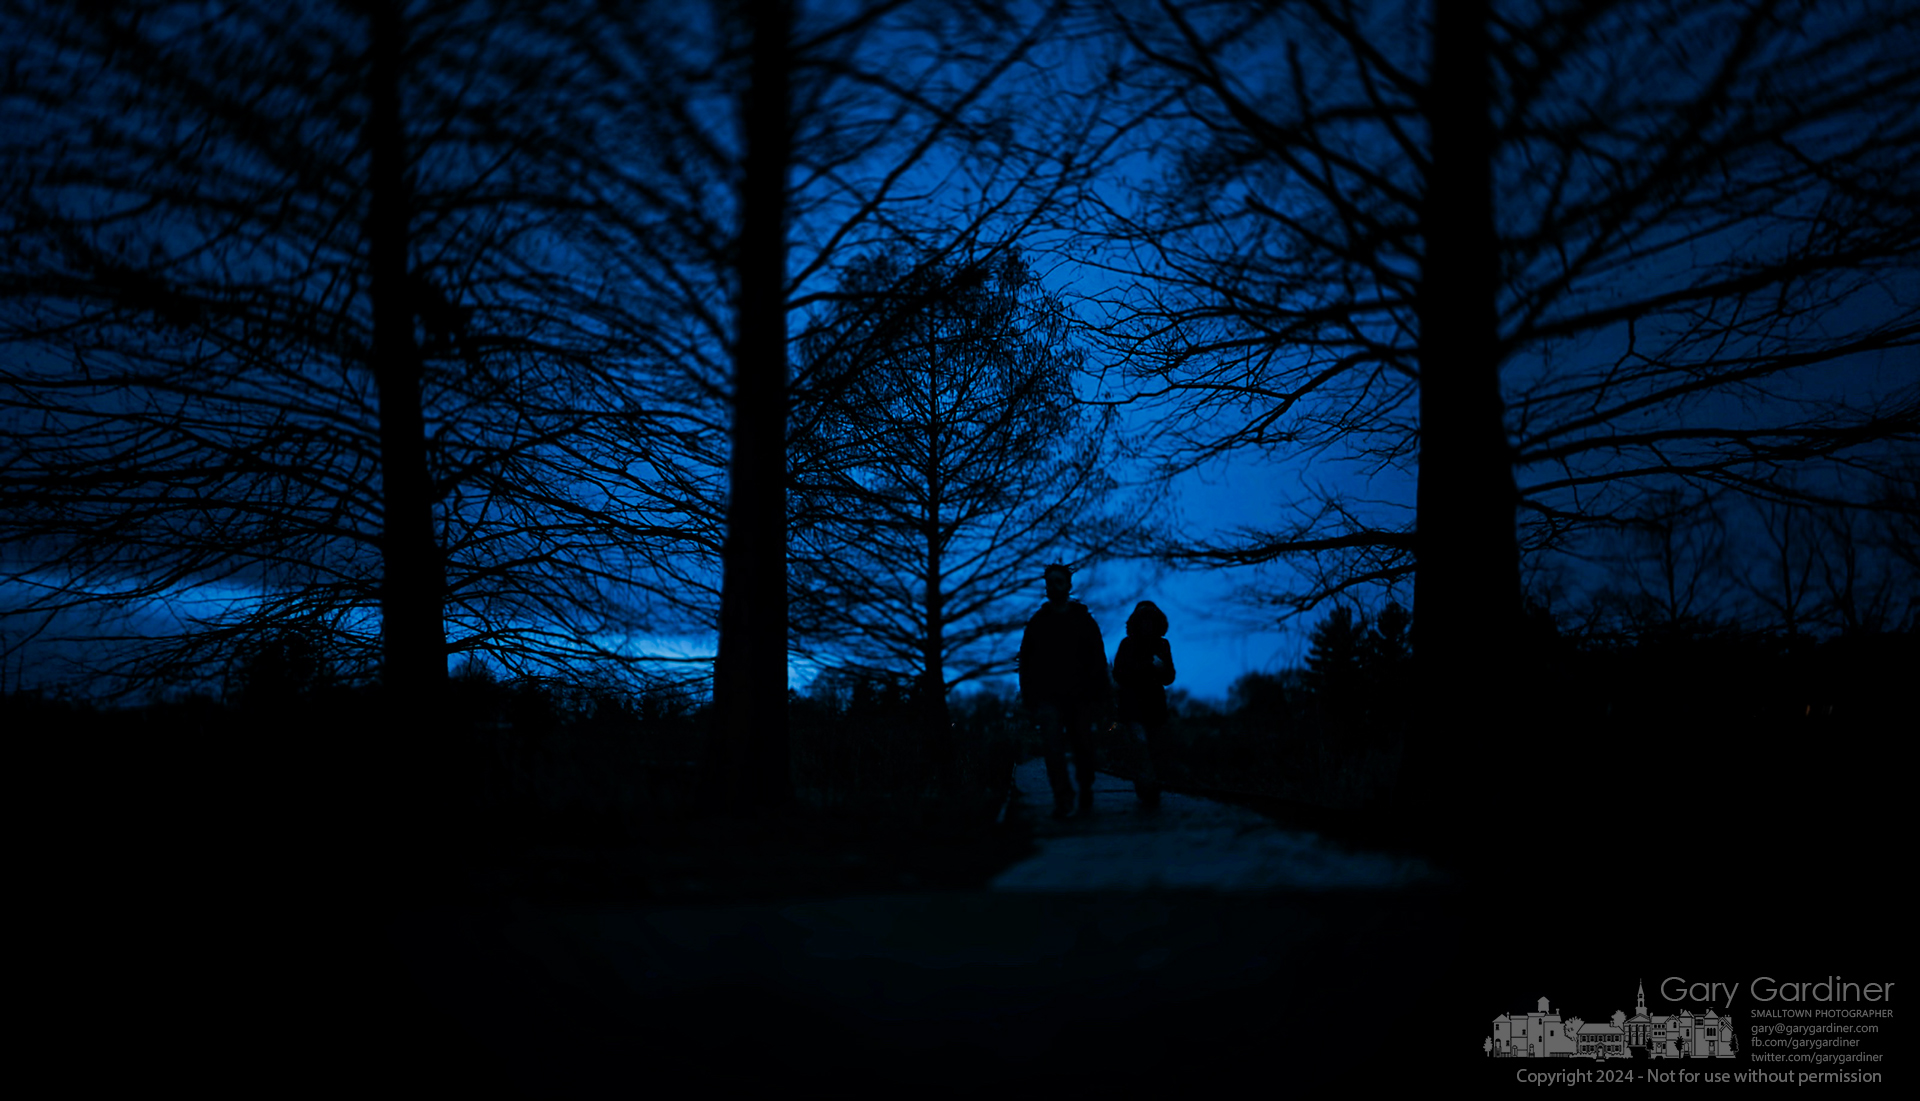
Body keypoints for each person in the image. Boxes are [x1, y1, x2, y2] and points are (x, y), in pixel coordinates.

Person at [1017, 562, 1111, 818]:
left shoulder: (1083, 620)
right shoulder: (1038, 623)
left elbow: (1097, 658)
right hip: (1048, 698)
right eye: (1049, 582)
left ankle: (1085, 786)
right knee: (1052, 748)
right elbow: (1026, 661)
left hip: (1080, 696)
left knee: (1083, 746)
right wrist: (1029, 697)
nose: (1053, 586)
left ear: (1068, 585)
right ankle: (1063, 797)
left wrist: (1100, 694)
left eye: (1059, 581)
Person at [1111, 600, 1175, 807]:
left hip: (1155, 708)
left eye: (1151, 620)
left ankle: (1150, 786)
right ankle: (1147, 787)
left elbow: (1169, 676)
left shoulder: (1163, 645)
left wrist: (1161, 668)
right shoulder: (1126, 644)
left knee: (1156, 749)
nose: (1147, 624)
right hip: (1132, 707)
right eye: (1143, 620)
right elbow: (1119, 673)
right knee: (1140, 746)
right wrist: (1148, 667)